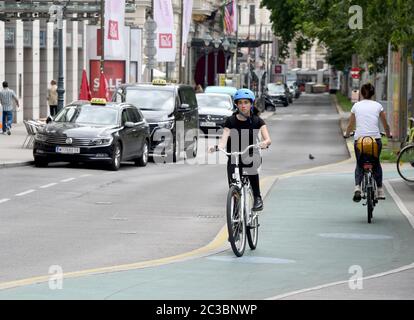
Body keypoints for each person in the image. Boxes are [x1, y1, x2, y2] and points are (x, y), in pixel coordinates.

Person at [209, 88, 272, 211]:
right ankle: (236, 212)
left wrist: (265, 143)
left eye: (246, 102)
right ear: (236, 104)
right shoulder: (230, 121)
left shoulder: (257, 121)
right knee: (233, 185)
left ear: (251, 103)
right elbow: (223, 140)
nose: (243, 105)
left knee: (251, 167)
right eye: (240, 103)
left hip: (250, 154)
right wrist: (216, 147)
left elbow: (268, 139)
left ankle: (257, 198)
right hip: (234, 156)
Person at [344, 83, 392, 201]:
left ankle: (357, 188)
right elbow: (385, 124)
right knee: (376, 163)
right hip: (375, 140)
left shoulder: (356, 106)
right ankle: (380, 190)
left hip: (360, 140)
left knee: (360, 164)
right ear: (373, 93)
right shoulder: (378, 106)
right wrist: (388, 134)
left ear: (361, 93)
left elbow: (351, 124)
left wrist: (347, 134)